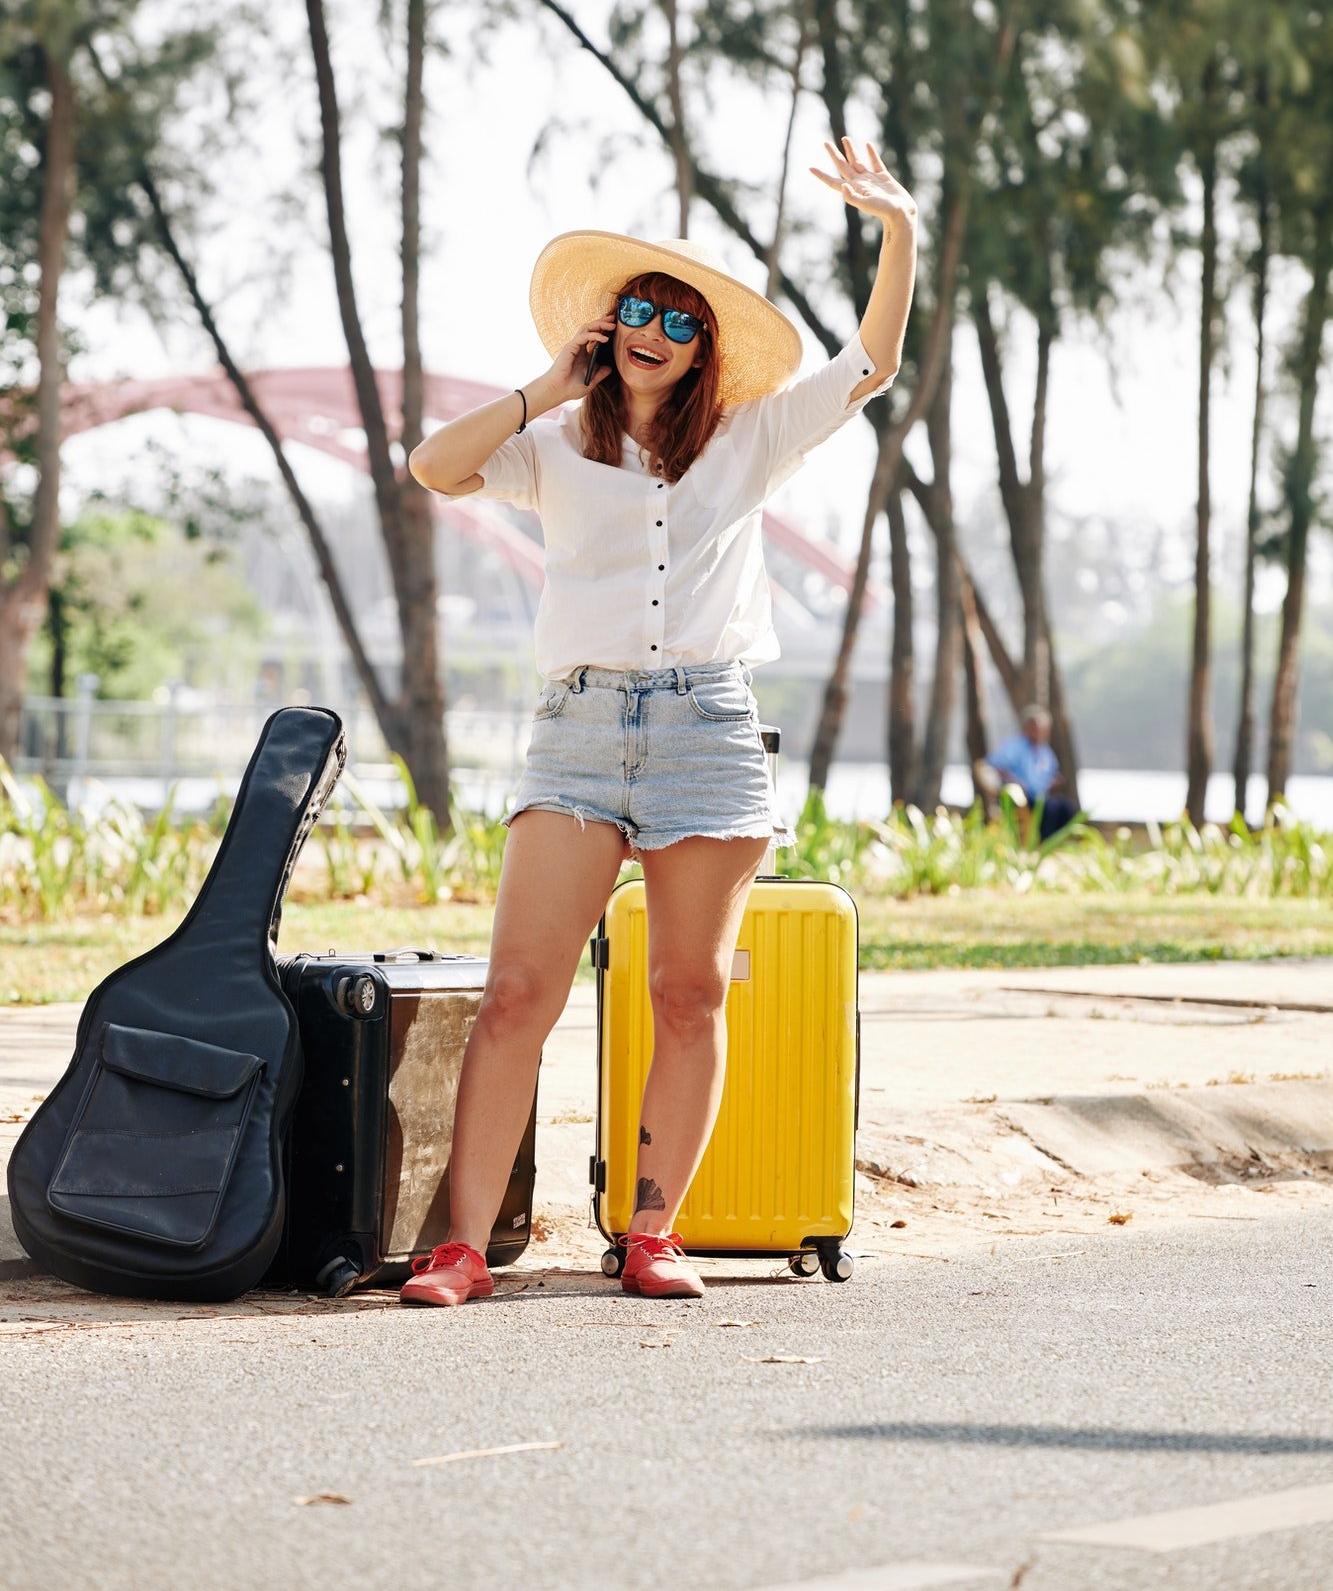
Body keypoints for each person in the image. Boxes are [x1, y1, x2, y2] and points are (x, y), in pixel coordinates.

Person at [402, 138, 917, 1305]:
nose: (653, 330)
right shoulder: (552, 447)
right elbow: (434, 467)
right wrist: (547, 381)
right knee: (516, 992)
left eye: (680, 320)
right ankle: (462, 1246)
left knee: (690, 991)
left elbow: (871, 364)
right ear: (606, 325)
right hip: (577, 729)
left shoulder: (749, 441)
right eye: (636, 308)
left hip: (705, 731)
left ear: (705, 351)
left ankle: (649, 1233)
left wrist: (900, 230)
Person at [980, 705, 1075, 839]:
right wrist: (1014, 781)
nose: (1037, 731)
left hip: (1041, 796)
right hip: (1021, 797)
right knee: (1048, 810)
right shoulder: (1015, 746)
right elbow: (993, 765)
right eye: (1034, 726)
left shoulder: (1045, 751)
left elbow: (1051, 774)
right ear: (1027, 727)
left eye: (1041, 728)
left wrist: (1054, 782)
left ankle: (1053, 845)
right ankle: (1038, 845)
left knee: (1065, 809)